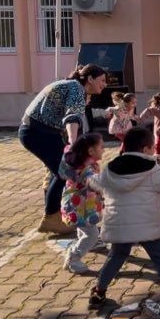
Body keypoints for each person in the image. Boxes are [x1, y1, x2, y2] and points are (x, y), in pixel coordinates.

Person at [86, 127, 160, 317]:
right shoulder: (152, 171)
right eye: (152, 147)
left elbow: (96, 182)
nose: (154, 151)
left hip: (119, 225)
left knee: (116, 256)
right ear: (145, 149)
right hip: (147, 225)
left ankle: (98, 293)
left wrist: (88, 179)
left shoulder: (110, 169)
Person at [19, 64, 108, 234]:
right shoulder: (76, 89)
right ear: (89, 79)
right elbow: (72, 117)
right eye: (102, 80)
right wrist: (74, 144)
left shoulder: (72, 86)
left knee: (57, 172)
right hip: (37, 133)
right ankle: (51, 218)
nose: (105, 85)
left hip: (40, 132)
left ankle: (54, 214)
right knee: (63, 171)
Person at [58, 133, 105, 274]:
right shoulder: (87, 170)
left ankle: (82, 244)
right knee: (91, 234)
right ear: (91, 151)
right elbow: (97, 184)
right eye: (101, 147)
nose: (104, 149)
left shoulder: (78, 163)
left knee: (84, 228)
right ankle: (73, 258)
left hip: (77, 205)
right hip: (80, 207)